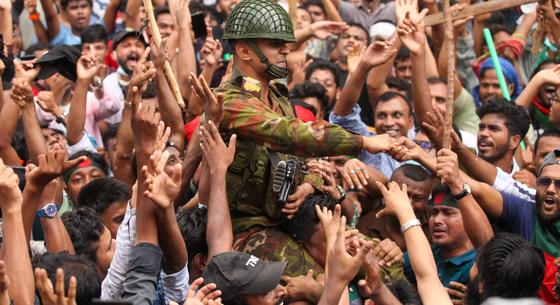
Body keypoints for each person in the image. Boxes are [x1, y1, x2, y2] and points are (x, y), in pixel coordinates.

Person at [186, 0, 403, 277]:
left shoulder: (276, 94)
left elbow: (303, 157)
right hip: (245, 228)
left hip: (290, 218)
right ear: (243, 51)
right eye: (276, 44)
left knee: (386, 266)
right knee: (317, 278)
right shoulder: (229, 101)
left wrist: (308, 185)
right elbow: (291, 135)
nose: (285, 50)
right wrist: (363, 141)